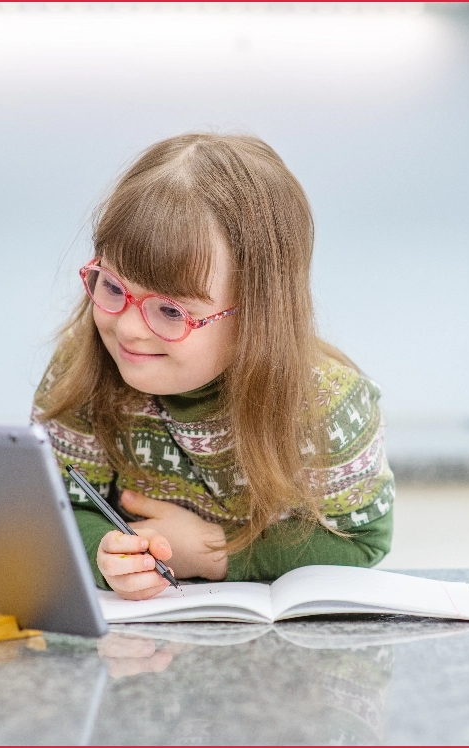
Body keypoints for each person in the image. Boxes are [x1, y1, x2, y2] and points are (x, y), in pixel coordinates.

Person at [31, 132, 394, 600]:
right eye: (114, 287)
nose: (128, 329)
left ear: (257, 315)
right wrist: (105, 550)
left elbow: (364, 540)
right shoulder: (81, 369)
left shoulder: (327, 405)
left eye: (169, 311)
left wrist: (214, 555)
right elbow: (55, 504)